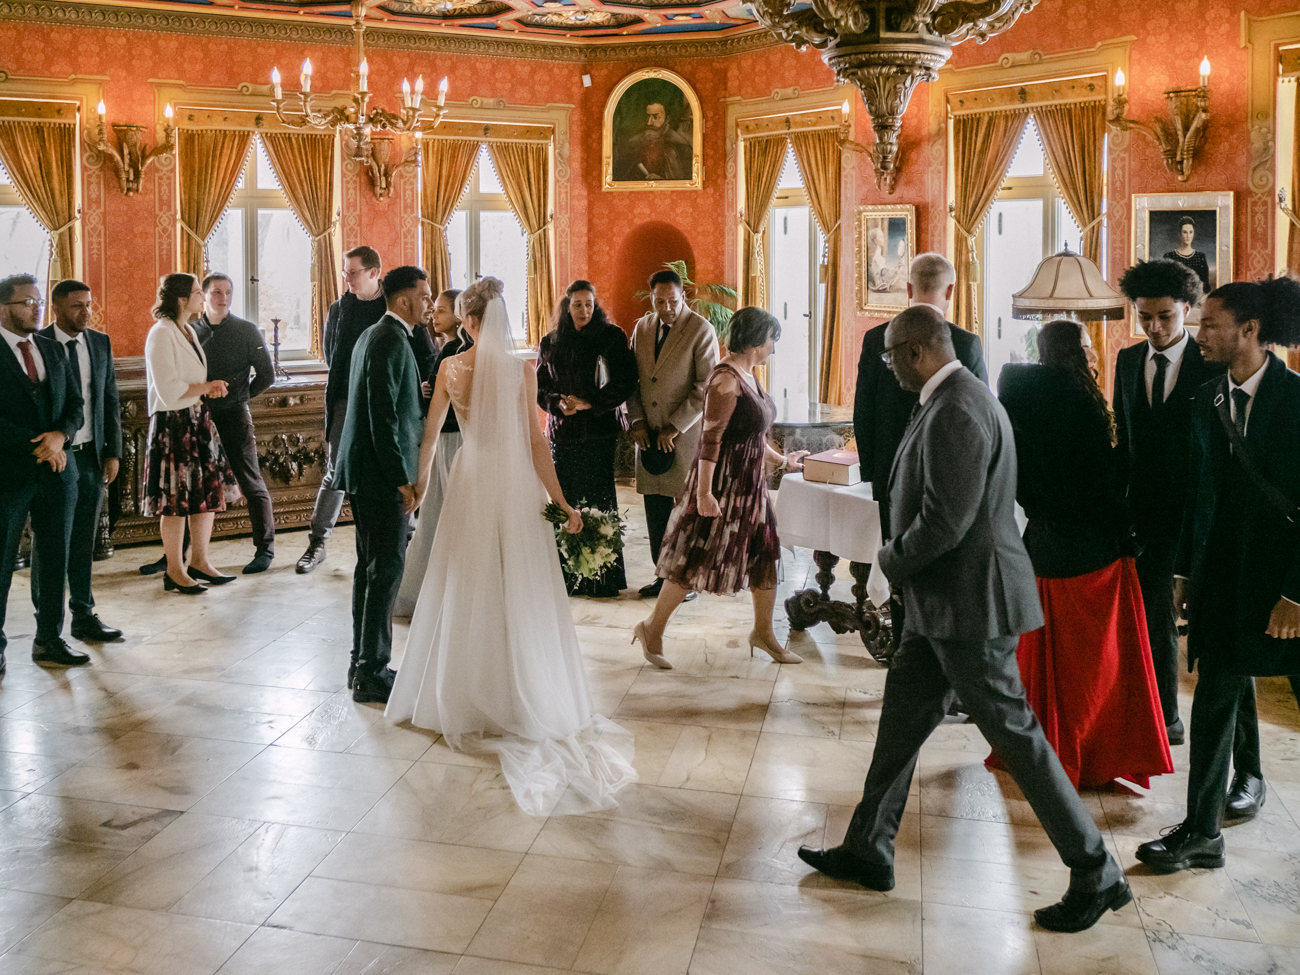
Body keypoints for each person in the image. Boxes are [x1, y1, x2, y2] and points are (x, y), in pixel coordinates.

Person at [799, 305, 1128, 934]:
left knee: (1018, 739)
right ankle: (869, 846)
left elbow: (945, 520)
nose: (886, 367)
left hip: (971, 605)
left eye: (890, 356)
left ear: (918, 351)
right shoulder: (950, 396)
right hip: (945, 604)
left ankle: (1095, 870)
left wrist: (888, 562)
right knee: (901, 725)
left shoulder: (956, 407)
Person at [386, 276, 637, 816]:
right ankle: (521, 688)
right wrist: (562, 502)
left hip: (472, 479)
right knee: (519, 583)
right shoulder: (523, 371)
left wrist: (421, 486)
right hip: (517, 484)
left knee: (467, 580)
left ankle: (467, 690)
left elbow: (430, 435)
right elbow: (536, 443)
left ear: (470, 321)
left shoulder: (452, 368)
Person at [1137, 277, 1300, 873]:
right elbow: (1199, 491)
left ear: (1249, 330)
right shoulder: (1207, 397)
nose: (1198, 333)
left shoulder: (1296, 399)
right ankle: (1202, 832)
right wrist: (1184, 573)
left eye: (1210, 324)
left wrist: (1295, 595)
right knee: (1212, 702)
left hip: (1284, 585)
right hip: (1224, 582)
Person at [995, 319, 1172, 788]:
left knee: (1046, 658)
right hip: (1091, 549)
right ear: (1071, 352)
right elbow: (1097, 484)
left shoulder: (1019, 397)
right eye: (1088, 346)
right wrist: (1127, 520)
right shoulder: (1077, 402)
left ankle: (1042, 747)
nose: (1094, 354)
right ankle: (1085, 752)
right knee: (1092, 668)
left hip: (1043, 542)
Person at [632, 306, 808, 668]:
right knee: (693, 560)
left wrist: (781, 461)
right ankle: (652, 628)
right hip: (722, 486)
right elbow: (710, 441)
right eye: (771, 340)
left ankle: (763, 634)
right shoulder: (725, 380)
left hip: (750, 487)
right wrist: (703, 494)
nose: (773, 347)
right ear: (756, 341)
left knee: (764, 555)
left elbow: (752, 435)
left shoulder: (749, 374)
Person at [853, 252, 987, 652]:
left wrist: (873, 473)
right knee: (942, 566)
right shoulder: (965, 342)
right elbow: (978, 416)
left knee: (900, 565)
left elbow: (863, 412)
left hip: (890, 474)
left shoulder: (876, 338)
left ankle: (904, 644)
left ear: (908, 288)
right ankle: (934, 650)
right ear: (951, 291)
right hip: (947, 477)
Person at [1115, 258, 1220, 746]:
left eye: (1165, 316)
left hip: (1197, 515)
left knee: (1195, 622)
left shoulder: (1212, 366)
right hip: (1143, 517)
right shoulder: (1127, 361)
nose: (1154, 327)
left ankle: (1178, 717)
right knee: (1151, 614)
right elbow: (1125, 442)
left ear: (1187, 310)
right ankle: (1163, 715)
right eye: (1144, 317)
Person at [334, 265, 431, 704]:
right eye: (424, 296)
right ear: (405, 299)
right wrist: (401, 479)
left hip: (364, 473)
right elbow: (383, 416)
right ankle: (372, 672)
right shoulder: (390, 339)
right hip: (378, 476)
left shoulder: (374, 335)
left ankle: (361, 663)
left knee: (369, 570)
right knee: (386, 571)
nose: (429, 304)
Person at [0, 274, 89, 672]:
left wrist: (61, 436)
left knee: (55, 559)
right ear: (4, 308)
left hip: (58, 472)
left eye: (37, 302)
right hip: (8, 474)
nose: (36, 309)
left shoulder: (52, 349)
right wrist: (40, 445)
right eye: (26, 302)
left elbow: (75, 404)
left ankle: (50, 639)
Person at [32, 280, 122, 644]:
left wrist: (113, 451)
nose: (86, 312)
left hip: (91, 456)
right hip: (56, 459)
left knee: (85, 541)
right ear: (55, 307)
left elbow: (109, 399)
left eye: (88, 304)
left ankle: (83, 615)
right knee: (51, 545)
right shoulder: (37, 344)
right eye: (76, 306)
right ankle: (46, 623)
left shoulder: (99, 343)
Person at [536, 280, 638, 597]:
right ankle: (568, 575)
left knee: (599, 499)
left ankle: (601, 578)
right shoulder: (551, 341)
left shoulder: (612, 337)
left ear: (596, 305)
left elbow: (626, 381)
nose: (584, 310)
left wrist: (590, 402)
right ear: (567, 307)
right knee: (566, 499)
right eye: (577, 304)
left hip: (599, 432)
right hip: (563, 434)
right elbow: (539, 387)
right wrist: (557, 403)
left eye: (589, 304)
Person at [142, 273, 240, 595]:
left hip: (196, 420)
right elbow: (168, 389)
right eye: (199, 292)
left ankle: (200, 561)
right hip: (173, 425)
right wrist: (206, 387)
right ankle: (174, 569)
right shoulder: (161, 333)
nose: (203, 297)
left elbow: (191, 378)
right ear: (182, 299)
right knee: (176, 501)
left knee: (206, 496)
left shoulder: (187, 330)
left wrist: (205, 390)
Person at [626, 267, 719, 599]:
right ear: (651, 298)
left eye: (672, 301)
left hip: (683, 437)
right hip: (648, 436)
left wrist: (675, 426)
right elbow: (632, 380)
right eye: (659, 301)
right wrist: (637, 420)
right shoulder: (642, 327)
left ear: (684, 297)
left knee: (684, 511)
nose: (666, 308)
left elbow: (705, 387)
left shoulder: (701, 330)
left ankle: (686, 580)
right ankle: (662, 576)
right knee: (655, 510)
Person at [297, 245, 387, 574]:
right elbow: (330, 356)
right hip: (345, 401)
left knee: (386, 468)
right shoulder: (339, 309)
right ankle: (317, 542)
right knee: (335, 471)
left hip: (382, 402)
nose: (347, 278)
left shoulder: (392, 305)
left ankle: (395, 540)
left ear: (374, 272)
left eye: (353, 272)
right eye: (345, 272)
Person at [193, 273, 276, 574]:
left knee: (251, 482)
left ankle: (265, 550)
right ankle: (178, 555)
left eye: (228, 292)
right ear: (204, 295)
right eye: (217, 292)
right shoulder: (190, 331)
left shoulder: (246, 330)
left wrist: (241, 396)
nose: (223, 298)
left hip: (234, 416)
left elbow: (267, 375)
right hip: (198, 417)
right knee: (193, 486)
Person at [394, 288, 465, 618]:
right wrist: (428, 388)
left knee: (436, 515)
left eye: (441, 311)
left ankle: (423, 592)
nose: (434, 316)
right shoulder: (449, 347)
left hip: (448, 439)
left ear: (459, 316)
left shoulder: (454, 349)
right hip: (450, 437)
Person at [614, 102, 692, 181]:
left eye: (656, 117)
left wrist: (662, 181)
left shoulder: (681, 148)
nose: (649, 123)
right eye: (647, 117)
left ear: (667, 119)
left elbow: (686, 183)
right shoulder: (632, 144)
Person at [1163, 216, 1211, 293]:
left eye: (1190, 232)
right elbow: (1165, 285)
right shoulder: (1169, 256)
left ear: (1193, 233)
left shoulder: (1200, 257)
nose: (1188, 236)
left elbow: (1205, 287)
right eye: (1185, 232)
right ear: (1180, 234)